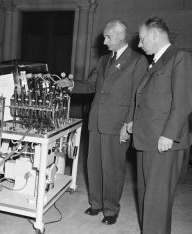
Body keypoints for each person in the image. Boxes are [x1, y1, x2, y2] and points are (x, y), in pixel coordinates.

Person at [56, 19, 148, 224]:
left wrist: (129, 124)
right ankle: (96, 204)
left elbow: (137, 96)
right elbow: (90, 85)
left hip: (117, 125)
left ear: (121, 36)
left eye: (108, 37)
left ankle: (111, 209)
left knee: (113, 168)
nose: (104, 41)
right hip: (96, 120)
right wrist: (71, 84)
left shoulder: (137, 61)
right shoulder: (105, 60)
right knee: (94, 165)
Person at [127, 16, 192, 234]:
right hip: (147, 139)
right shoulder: (156, 61)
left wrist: (168, 135)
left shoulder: (179, 57)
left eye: (142, 38)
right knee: (147, 196)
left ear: (154, 35)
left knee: (157, 201)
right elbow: (153, 101)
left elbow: (183, 102)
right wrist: (134, 124)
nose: (139, 44)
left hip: (163, 142)